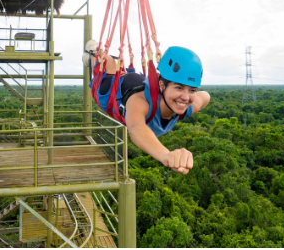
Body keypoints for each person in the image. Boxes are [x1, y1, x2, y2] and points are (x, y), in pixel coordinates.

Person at [84, 41, 210, 175]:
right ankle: (93, 52)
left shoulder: (187, 105)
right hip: (112, 89)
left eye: (192, 90)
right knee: (105, 64)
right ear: (161, 85)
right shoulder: (139, 102)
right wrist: (166, 155)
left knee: (113, 66)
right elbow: (137, 128)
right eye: (179, 87)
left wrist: (189, 92)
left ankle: (101, 57)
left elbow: (206, 96)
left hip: (138, 80)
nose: (185, 97)